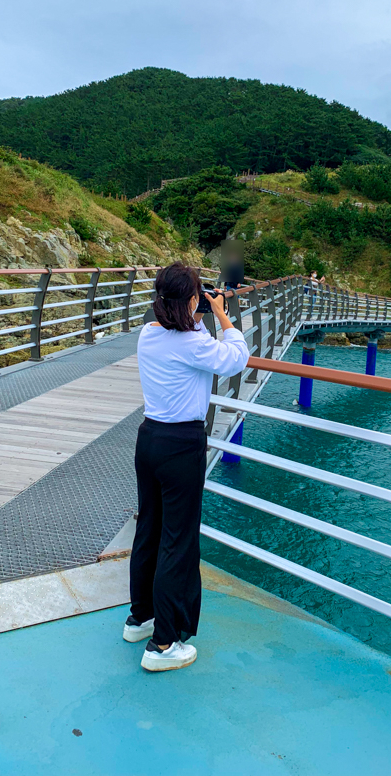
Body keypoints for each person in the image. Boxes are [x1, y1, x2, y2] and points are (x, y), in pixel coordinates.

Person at [124, 262, 250, 672]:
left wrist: (193, 308)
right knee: (177, 543)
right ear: (192, 299)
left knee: (149, 529)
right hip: (181, 446)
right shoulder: (194, 342)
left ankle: (139, 617)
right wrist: (219, 311)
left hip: (149, 439)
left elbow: (179, 329)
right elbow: (236, 357)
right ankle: (163, 645)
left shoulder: (148, 334)